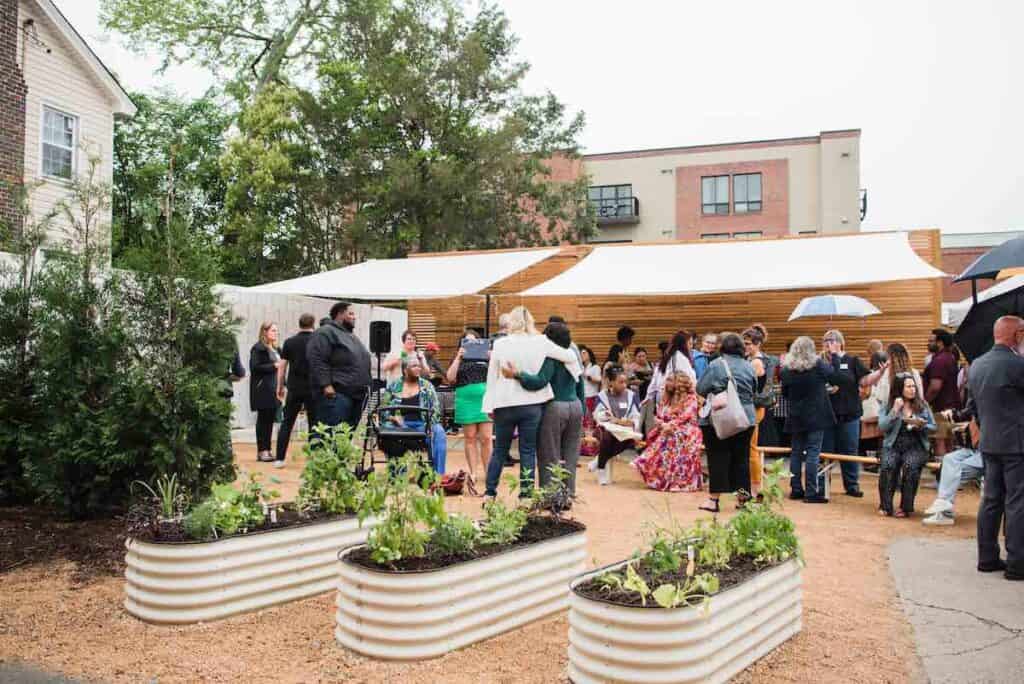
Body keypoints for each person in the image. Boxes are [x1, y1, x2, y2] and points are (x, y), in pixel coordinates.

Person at [481, 306, 581, 500]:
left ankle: (490, 492)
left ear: (511, 322)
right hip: (531, 403)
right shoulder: (541, 342)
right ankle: (525, 496)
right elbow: (569, 356)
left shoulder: (500, 344)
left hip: (503, 402)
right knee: (527, 450)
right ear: (531, 322)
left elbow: (491, 377)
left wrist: (488, 405)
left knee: (500, 450)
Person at [967, 315, 1024, 579]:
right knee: (1017, 502)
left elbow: (973, 408)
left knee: (991, 500)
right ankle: (1017, 563)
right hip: (1016, 444)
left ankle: (987, 557)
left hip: (990, 441)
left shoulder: (977, 365)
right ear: (1018, 335)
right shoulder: (1017, 365)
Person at [502, 322, 585, 497]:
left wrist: (517, 374)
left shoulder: (551, 357)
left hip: (555, 407)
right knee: (570, 455)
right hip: (575, 407)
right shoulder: (572, 355)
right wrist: (583, 412)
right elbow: (581, 385)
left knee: (550, 454)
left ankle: (551, 496)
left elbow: (540, 381)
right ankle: (568, 494)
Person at [820, 329, 887, 498]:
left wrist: (880, 373)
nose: (828, 344)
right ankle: (821, 486)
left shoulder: (852, 361)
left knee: (849, 450)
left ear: (840, 343)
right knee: (824, 451)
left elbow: (865, 381)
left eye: (832, 340)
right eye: (826, 341)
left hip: (849, 413)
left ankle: (851, 485)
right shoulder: (820, 362)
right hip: (825, 415)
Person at [696, 332, 757, 512]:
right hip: (746, 418)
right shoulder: (749, 366)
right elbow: (754, 389)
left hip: (720, 418)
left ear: (722, 348)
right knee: (741, 458)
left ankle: (713, 501)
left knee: (718, 457)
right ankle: (743, 500)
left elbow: (701, 388)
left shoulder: (716, 365)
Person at [781, 337, 839, 503]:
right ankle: (811, 492)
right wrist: (834, 355)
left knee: (796, 453)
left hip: (796, 415)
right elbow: (834, 376)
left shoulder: (786, 369)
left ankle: (796, 489)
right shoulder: (818, 365)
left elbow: (785, 393)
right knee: (813, 452)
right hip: (817, 415)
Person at [632, 371, 703, 492]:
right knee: (667, 435)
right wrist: (661, 423)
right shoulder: (666, 398)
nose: (667, 382)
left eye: (670, 380)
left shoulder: (691, 399)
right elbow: (659, 415)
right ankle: (658, 473)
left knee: (672, 436)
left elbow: (685, 417)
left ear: (678, 383)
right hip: (669, 428)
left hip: (688, 430)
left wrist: (668, 425)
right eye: (667, 380)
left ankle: (647, 461)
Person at [877, 373, 937, 517]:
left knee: (910, 465)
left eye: (913, 386)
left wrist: (920, 425)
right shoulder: (890, 404)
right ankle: (886, 505)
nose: (913, 389)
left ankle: (905, 507)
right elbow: (882, 427)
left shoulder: (922, 405)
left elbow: (933, 427)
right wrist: (894, 411)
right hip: (894, 444)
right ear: (899, 389)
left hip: (916, 446)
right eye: (908, 386)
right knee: (888, 464)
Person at [308, 301, 372, 431]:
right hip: (337, 395)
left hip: (356, 395)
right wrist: (326, 384)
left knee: (345, 439)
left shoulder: (350, 336)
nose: (354, 317)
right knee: (331, 436)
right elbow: (317, 359)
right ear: (340, 314)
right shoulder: (325, 332)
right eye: (351, 314)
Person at [923, 398, 984, 526]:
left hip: (991, 451)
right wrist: (954, 415)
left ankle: (944, 506)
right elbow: (968, 412)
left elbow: (983, 419)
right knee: (949, 460)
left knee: (952, 471)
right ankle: (945, 507)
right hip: (974, 448)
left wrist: (967, 425)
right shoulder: (978, 392)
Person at [446, 328, 492, 495]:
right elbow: (450, 378)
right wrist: (459, 356)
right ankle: (473, 472)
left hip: (485, 399)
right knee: (470, 438)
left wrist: (492, 358)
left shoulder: (486, 359)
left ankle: (489, 473)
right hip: (465, 400)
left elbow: (499, 375)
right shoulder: (459, 359)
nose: (470, 345)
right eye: (466, 341)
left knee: (487, 438)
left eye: (474, 341)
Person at [383, 356, 446, 474]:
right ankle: (398, 474)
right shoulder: (394, 386)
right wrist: (393, 418)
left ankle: (438, 476)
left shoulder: (427, 386)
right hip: (400, 426)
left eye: (418, 366)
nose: (418, 368)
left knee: (439, 431)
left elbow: (435, 410)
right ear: (405, 370)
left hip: (422, 424)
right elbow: (383, 409)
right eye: (414, 366)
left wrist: (429, 424)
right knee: (389, 430)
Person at [274, 314, 317, 468]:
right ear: (313, 324)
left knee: (287, 422)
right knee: (314, 423)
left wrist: (280, 386)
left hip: (294, 387)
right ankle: (314, 458)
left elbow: (282, 366)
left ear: (299, 324)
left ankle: (279, 458)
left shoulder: (290, 342)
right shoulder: (317, 341)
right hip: (313, 388)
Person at [589, 366, 641, 486]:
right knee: (607, 437)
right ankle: (601, 470)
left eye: (625, 382)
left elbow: (636, 415)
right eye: (621, 382)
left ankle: (598, 461)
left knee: (632, 439)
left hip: (624, 428)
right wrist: (605, 415)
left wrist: (629, 421)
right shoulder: (602, 396)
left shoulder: (631, 395)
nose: (624, 385)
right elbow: (597, 415)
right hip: (606, 428)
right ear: (611, 382)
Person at [744, 326, 779, 499]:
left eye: (748, 344)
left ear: (757, 344)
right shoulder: (762, 359)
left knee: (751, 450)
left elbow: (750, 387)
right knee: (751, 449)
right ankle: (754, 487)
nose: (746, 347)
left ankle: (755, 488)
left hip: (753, 407)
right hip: (758, 407)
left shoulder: (756, 362)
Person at [646, 330, 696, 434]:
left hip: (664, 398)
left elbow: (654, 383)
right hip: (677, 398)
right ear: (683, 344)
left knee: (664, 426)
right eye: (689, 344)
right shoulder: (680, 358)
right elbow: (690, 379)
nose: (691, 347)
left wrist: (648, 398)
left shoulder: (667, 357)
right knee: (676, 429)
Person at [923, 328, 961, 458]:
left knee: (939, 441)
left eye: (931, 341)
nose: (927, 343)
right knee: (948, 441)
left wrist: (924, 402)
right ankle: (948, 474)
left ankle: (942, 475)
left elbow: (935, 387)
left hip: (941, 408)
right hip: (951, 407)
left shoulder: (940, 361)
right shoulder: (949, 357)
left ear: (940, 343)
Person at [249, 322, 283, 462]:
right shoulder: (258, 348)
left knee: (270, 420)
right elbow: (255, 367)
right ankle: (262, 451)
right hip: (263, 389)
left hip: (274, 389)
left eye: (276, 331)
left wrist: (283, 385)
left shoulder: (277, 349)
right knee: (263, 420)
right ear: (264, 332)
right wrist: (273, 365)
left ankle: (267, 450)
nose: (275, 333)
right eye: (273, 330)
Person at [579, 345, 602, 458]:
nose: (582, 355)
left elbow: (598, 380)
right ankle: (583, 447)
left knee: (590, 423)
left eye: (584, 352)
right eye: (580, 353)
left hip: (591, 397)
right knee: (582, 423)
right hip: (582, 397)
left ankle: (591, 448)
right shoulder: (579, 367)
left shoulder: (595, 367)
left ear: (589, 354)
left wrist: (586, 376)